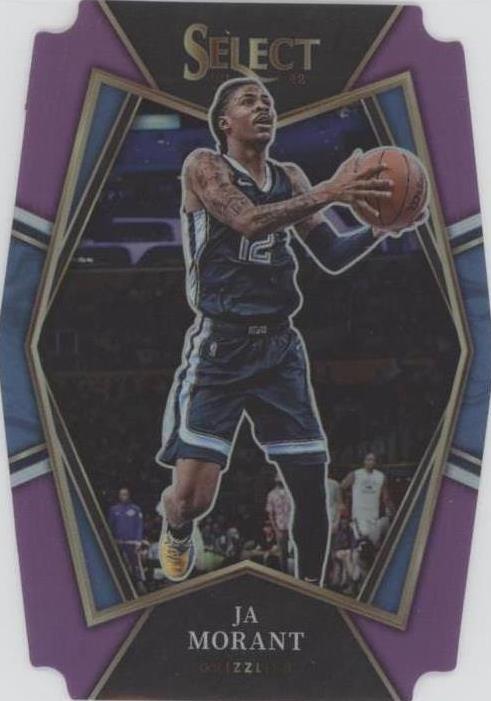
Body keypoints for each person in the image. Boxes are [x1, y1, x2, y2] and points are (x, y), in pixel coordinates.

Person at [155, 77, 405, 586]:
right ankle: (176, 527)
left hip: (280, 348)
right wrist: (331, 191)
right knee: (193, 500)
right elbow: (248, 220)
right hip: (221, 346)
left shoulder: (289, 176)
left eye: (267, 101)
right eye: (249, 101)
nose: (263, 106)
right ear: (225, 122)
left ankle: (311, 593)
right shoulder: (204, 166)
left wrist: (378, 229)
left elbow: (330, 253)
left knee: (312, 486)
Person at [341, 452, 394, 547]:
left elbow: (386, 497)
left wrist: (391, 509)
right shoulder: (355, 474)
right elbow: (342, 487)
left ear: (376, 462)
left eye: (373, 460)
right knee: (362, 538)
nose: (371, 462)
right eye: (368, 459)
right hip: (359, 513)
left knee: (373, 541)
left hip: (374, 514)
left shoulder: (381, 476)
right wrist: (343, 502)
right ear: (364, 461)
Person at [108, 487, 147, 594]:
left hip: (132, 543)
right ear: (119, 496)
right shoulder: (113, 510)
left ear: (129, 495)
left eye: (125, 494)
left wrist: (138, 540)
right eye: (122, 494)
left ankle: (139, 584)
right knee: (120, 564)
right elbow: (110, 526)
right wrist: (111, 540)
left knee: (135, 564)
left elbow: (139, 525)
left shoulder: (136, 509)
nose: (123, 496)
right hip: (118, 542)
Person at [266, 478, 292, 573]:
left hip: (292, 526)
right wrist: (276, 530)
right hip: (280, 527)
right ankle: (284, 573)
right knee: (282, 553)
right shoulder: (271, 494)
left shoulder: (291, 492)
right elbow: (271, 514)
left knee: (295, 552)